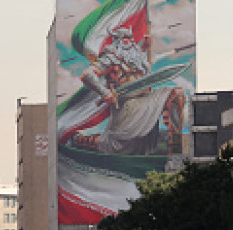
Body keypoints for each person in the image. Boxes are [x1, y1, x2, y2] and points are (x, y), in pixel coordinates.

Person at [71, 27, 186, 155]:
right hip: (126, 105)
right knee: (118, 146)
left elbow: (133, 64)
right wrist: (105, 92)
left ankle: (175, 149)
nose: (130, 41)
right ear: (118, 40)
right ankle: (80, 140)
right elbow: (87, 75)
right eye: (125, 38)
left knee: (177, 94)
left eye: (131, 38)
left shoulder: (138, 56)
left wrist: (144, 47)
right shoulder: (109, 58)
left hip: (147, 98)